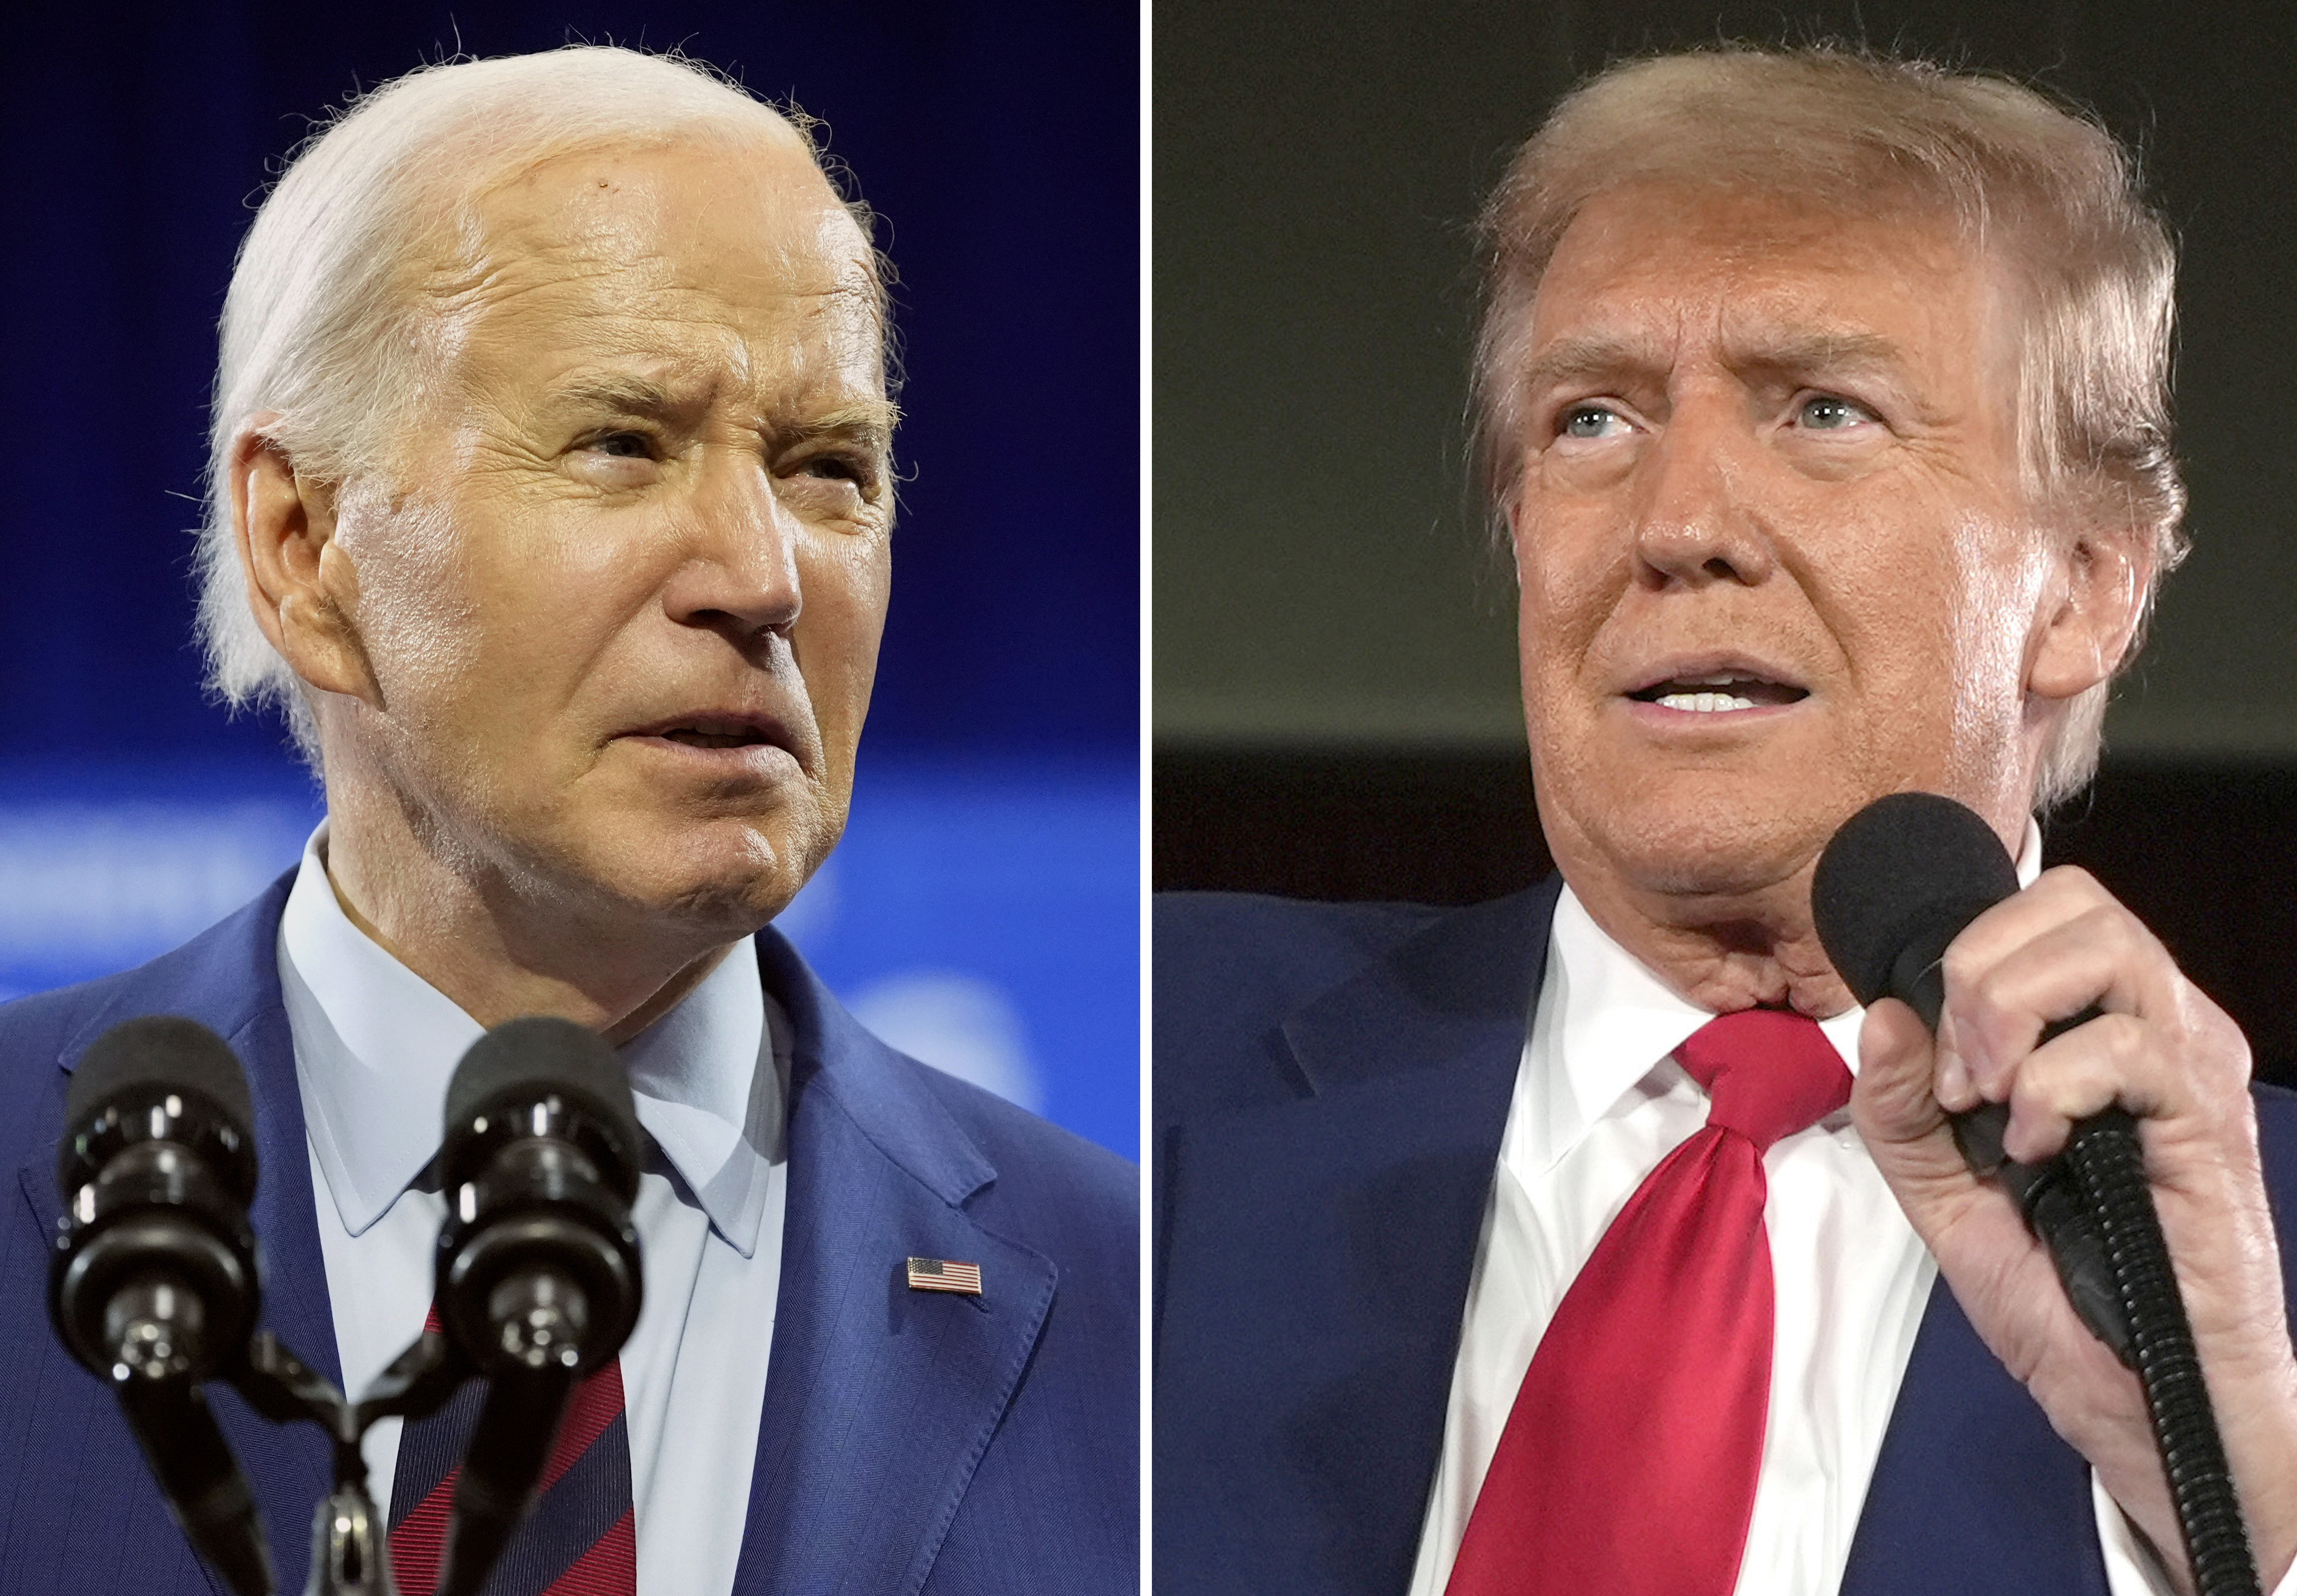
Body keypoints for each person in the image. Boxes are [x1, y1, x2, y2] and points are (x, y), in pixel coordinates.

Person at [1155, 45, 2297, 1596]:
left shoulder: (2251, 1277)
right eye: (1593, 423)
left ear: (2087, 584)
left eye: (1823, 410)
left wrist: (2255, 1515)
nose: (1677, 526)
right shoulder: (1136, 1058)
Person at [0, 46, 1134, 1596]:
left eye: (828, 468)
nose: (762, 574)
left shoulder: (1139, 1309)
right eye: (622, 443)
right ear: (303, 542)